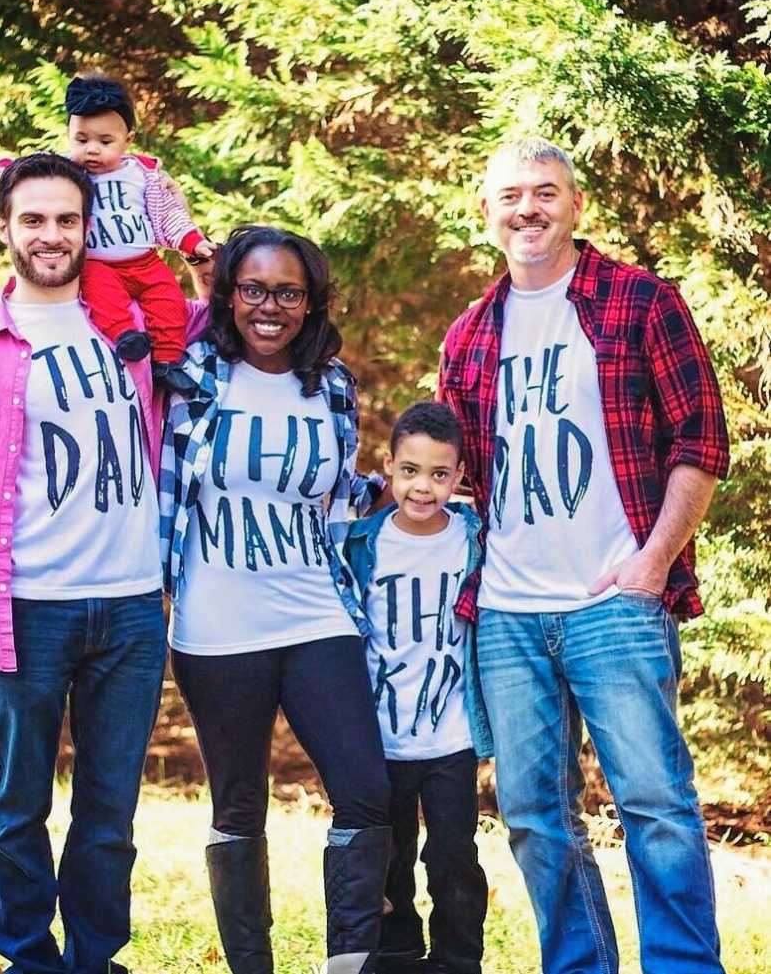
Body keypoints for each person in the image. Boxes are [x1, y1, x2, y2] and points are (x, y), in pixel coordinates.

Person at [0, 152, 207, 974]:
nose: (50, 234)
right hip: (27, 605)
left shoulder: (133, 331)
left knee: (110, 810)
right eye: (32, 219)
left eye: (67, 219)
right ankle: (29, 959)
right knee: (18, 804)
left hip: (133, 606)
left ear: (89, 226)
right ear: (4, 228)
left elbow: (232, 319)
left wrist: (192, 249)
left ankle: (96, 959)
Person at [438, 137, 729, 974]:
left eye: (545, 192)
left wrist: (651, 561)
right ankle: (579, 965)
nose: (527, 208)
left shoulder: (638, 304)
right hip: (506, 614)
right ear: (486, 211)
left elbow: (701, 440)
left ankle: (682, 967)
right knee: (533, 814)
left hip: (615, 601)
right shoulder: (470, 333)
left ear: (576, 206)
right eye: (509, 195)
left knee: (656, 804)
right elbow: (455, 476)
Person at [158, 225, 391, 974]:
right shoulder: (190, 374)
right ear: (228, 294)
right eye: (253, 289)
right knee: (238, 806)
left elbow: (335, 497)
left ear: (309, 301)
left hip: (318, 612)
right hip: (218, 626)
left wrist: (409, 498)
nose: (269, 306)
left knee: (365, 791)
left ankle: (347, 965)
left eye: (287, 292)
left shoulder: (333, 384)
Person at [343, 401, 491, 974]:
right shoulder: (361, 543)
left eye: (438, 474)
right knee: (389, 860)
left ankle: (459, 961)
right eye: (409, 471)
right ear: (389, 466)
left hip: (451, 739)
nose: (422, 488)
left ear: (458, 477)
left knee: (453, 858)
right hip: (380, 738)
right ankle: (399, 957)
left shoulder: (474, 538)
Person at [0, 73, 215, 382]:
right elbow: (30, 168)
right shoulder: (67, 170)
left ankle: (167, 362)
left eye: (105, 141)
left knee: (168, 301)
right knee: (101, 298)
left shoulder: (143, 175)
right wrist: (4, 169)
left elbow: (168, 214)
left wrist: (192, 243)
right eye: (81, 140)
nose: (92, 150)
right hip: (99, 263)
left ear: (128, 140)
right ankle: (126, 337)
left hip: (145, 261)